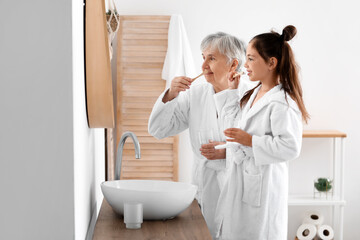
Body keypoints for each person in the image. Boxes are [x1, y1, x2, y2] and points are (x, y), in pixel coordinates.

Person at [213, 25, 310, 240]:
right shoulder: (256, 92)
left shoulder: (282, 103)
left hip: (263, 185)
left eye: (251, 59)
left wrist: (250, 141)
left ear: (271, 63)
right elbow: (236, 128)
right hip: (245, 179)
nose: (245, 65)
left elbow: (290, 147)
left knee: (258, 232)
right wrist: (230, 92)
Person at [148, 32, 246, 238]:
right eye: (203, 57)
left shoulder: (249, 97)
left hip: (239, 189)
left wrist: (226, 153)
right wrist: (171, 94)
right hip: (205, 186)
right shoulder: (196, 94)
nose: (203, 66)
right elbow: (158, 130)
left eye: (211, 58)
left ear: (233, 64)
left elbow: (261, 147)